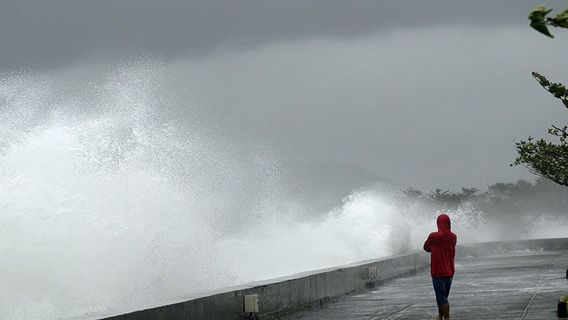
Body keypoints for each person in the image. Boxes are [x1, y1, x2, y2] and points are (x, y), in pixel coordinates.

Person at [423, 213, 457, 320]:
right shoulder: (453, 236)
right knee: (443, 296)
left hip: (438, 272)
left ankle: (446, 317)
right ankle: (440, 316)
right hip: (450, 271)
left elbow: (426, 247)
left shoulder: (434, 236)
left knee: (441, 297)